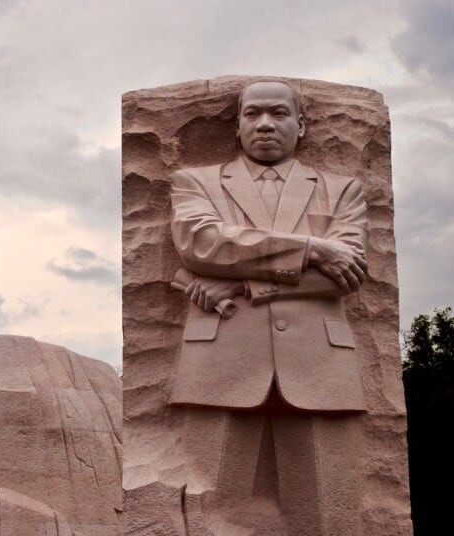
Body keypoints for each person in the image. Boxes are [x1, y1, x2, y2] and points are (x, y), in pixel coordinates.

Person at [167, 80, 368, 534]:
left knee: (330, 516)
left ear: (302, 125)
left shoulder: (341, 191)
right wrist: (314, 248)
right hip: (219, 363)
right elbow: (201, 244)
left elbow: (347, 273)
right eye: (251, 114)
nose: (264, 125)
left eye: (278, 113)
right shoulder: (195, 182)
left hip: (320, 365)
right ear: (236, 126)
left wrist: (242, 281)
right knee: (206, 515)